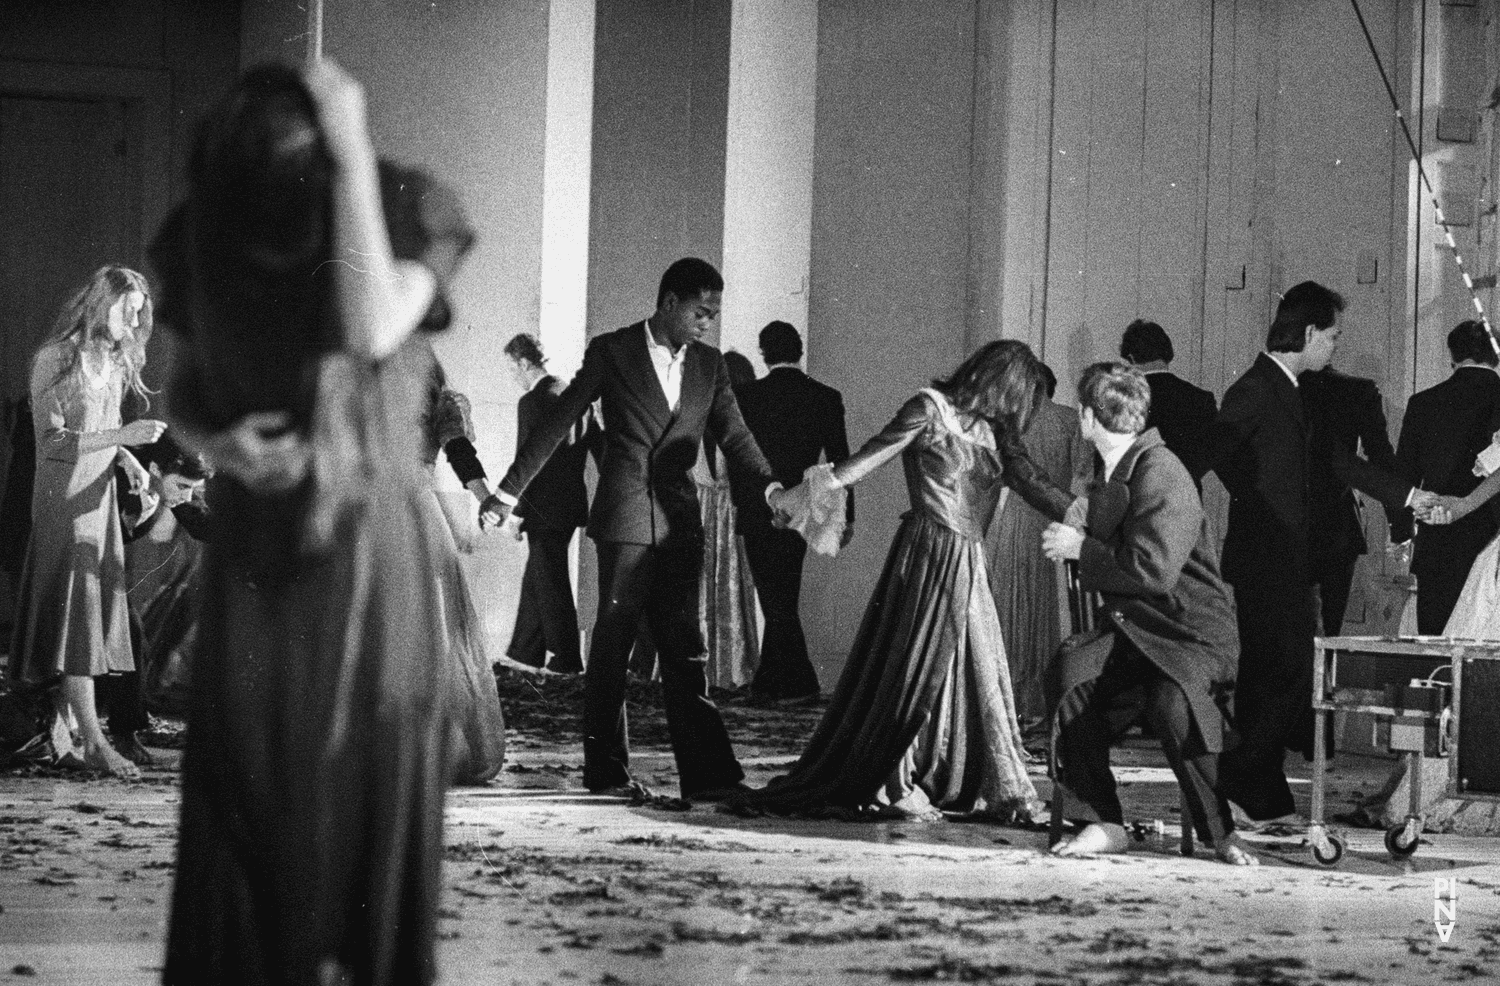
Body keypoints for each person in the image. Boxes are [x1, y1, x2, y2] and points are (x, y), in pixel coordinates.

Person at [152, 60, 471, 985]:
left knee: (362, 789)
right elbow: (185, 382)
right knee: (248, 793)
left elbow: (372, 323)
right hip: (258, 551)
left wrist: (350, 149)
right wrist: (220, 440)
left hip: (369, 555)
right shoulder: (211, 223)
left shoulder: (402, 206)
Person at [482, 257, 785, 801]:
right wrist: (508, 492)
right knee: (611, 649)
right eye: (700, 311)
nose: (707, 322)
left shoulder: (711, 366)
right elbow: (558, 421)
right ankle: (607, 773)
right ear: (668, 302)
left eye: (714, 314)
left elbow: (737, 437)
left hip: (678, 524)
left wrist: (771, 490)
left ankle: (710, 775)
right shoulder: (613, 351)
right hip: (623, 519)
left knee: (685, 650)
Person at [732, 340, 1073, 821]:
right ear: (998, 384)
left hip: (968, 560)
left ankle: (981, 783)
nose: (1018, 414)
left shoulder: (997, 431)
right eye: (1018, 400)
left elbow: (1032, 482)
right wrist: (791, 502)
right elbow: (863, 462)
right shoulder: (929, 409)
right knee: (913, 668)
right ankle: (894, 776)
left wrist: (1084, 516)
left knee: (975, 669)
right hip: (930, 554)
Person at [1206, 281, 1419, 826]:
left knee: (1275, 674)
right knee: (1286, 674)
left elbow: (1333, 461)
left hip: (1284, 560)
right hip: (1269, 559)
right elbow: (1217, 454)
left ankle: (1259, 790)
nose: (1334, 346)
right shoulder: (1257, 389)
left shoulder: (1289, 389)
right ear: (1307, 333)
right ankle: (1243, 781)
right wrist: (1262, 509)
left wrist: (1410, 496)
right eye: (1332, 336)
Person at [1042, 363, 1256, 865]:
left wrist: (1080, 549)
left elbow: (1152, 572)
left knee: (1171, 699)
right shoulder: (1118, 467)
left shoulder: (1162, 472)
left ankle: (1220, 831)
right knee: (1072, 677)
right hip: (1139, 632)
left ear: (1086, 417)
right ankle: (1103, 820)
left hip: (1191, 636)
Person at [6, 265, 166, 779]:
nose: (136, 320)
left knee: (87, 615)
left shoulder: (115, 362)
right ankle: (95, 741)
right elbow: (53, 443)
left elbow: (103, 430)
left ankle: (68, 734)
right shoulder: (54, 360)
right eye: (128, 308)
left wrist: (129, 460)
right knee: (76, 618)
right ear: (103, 303)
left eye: (141, 311)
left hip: (98, 500)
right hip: (62, 499)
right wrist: (128, 437)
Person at [733, 320, 852, 702]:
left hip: (758, 505)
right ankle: (783, 683)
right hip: (802, 506)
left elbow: (740, 460)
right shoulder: (825, 396)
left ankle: (784, 684)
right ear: (799, 350)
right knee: (783, 593)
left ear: (763, 353)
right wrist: (846, 517)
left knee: (775, 597)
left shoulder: (746, 397)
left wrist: (757, 500)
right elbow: (841, 462)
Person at [985, 362, 1091, 755]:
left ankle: (1011, 700)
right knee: (1050, 611)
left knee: (1011, 606)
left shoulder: (1013, 422)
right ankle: (1045, 702)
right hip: (1055, 518)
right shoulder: (1068, 420)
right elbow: (1081, 477)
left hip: (1015, 520)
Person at [500, 331, 598, 674]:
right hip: (570, 504)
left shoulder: (530, 403)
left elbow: (527, 460)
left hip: (541, 505)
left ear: (524, 362)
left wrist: (516, 512)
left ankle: (567, 658)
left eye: (512, 368)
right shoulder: (573, 397)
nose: (512, 377)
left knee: (551, 579)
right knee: (541, 573)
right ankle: (525, 650)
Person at [1394, 320, 1500, 634]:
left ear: (1452, 357)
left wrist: (1401, 533)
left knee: (1436, 640)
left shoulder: (1423, 403)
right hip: (1492, 529)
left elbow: (1404, 477)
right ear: (1495, 356)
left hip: (1437, 534)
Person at [1300, 364, 1400, 636]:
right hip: (1337, 523)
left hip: (1281, 523)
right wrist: (1400, 524)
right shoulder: (1357, 390)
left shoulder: (1277, 387)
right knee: (1330, 628)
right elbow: (1380, 458)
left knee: (1282, 633)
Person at [118, 435, 210, 721]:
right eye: (182, 486)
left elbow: (202, 523)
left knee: (134, 640)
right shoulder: (125, 478)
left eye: (193, 489)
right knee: (128, 637)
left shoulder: (170, 485)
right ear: (156, 469)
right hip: (84, 560)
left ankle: (127, 727)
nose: (185, 495)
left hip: (107, 569)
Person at [1120, 319, 1217, 486]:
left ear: (1131, 357)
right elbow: (1212, 453)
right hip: (1186, 500)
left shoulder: (1120, 401)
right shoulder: (1201, 399)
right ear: (1167, 353)